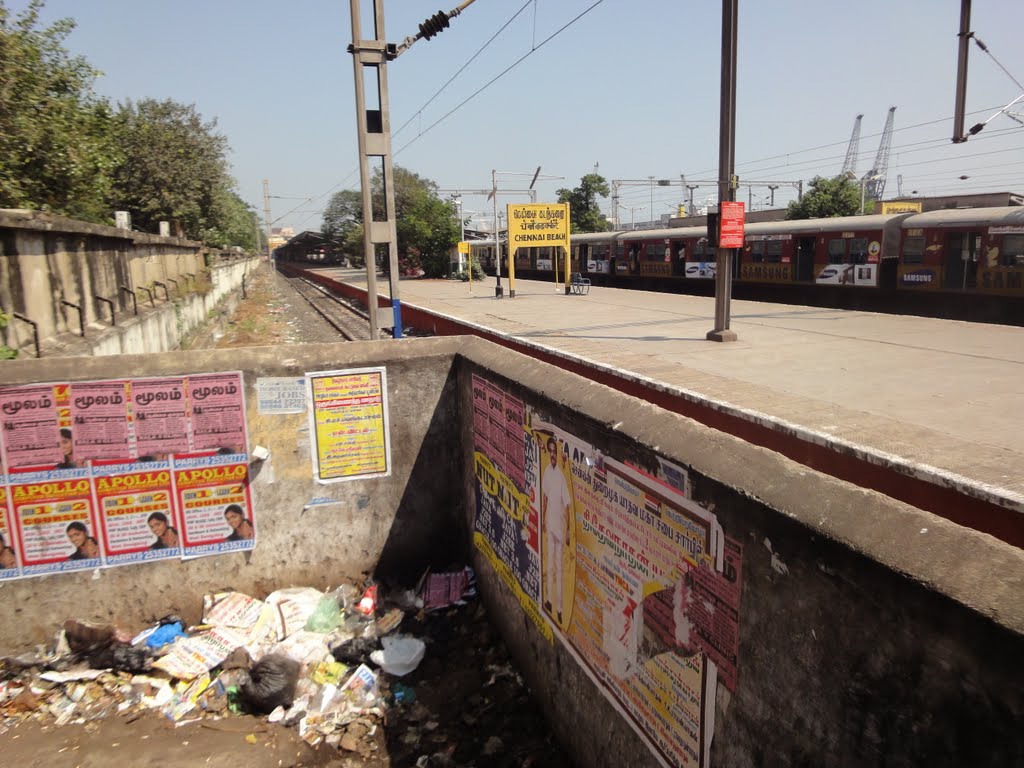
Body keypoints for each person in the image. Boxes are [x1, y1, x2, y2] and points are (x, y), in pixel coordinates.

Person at [541, 436, 572, 624]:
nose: (553, 454)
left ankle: (560, 608)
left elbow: (567, 505)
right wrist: (544, 519)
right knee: (550, 564)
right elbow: (545, 496)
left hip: (560, 528)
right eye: (550, 451)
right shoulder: (547, 471)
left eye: (554, 451)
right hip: (550, 524)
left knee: (560, 569)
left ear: (557, 452)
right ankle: (549, 600)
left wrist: (567, 530)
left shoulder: (560, 475)